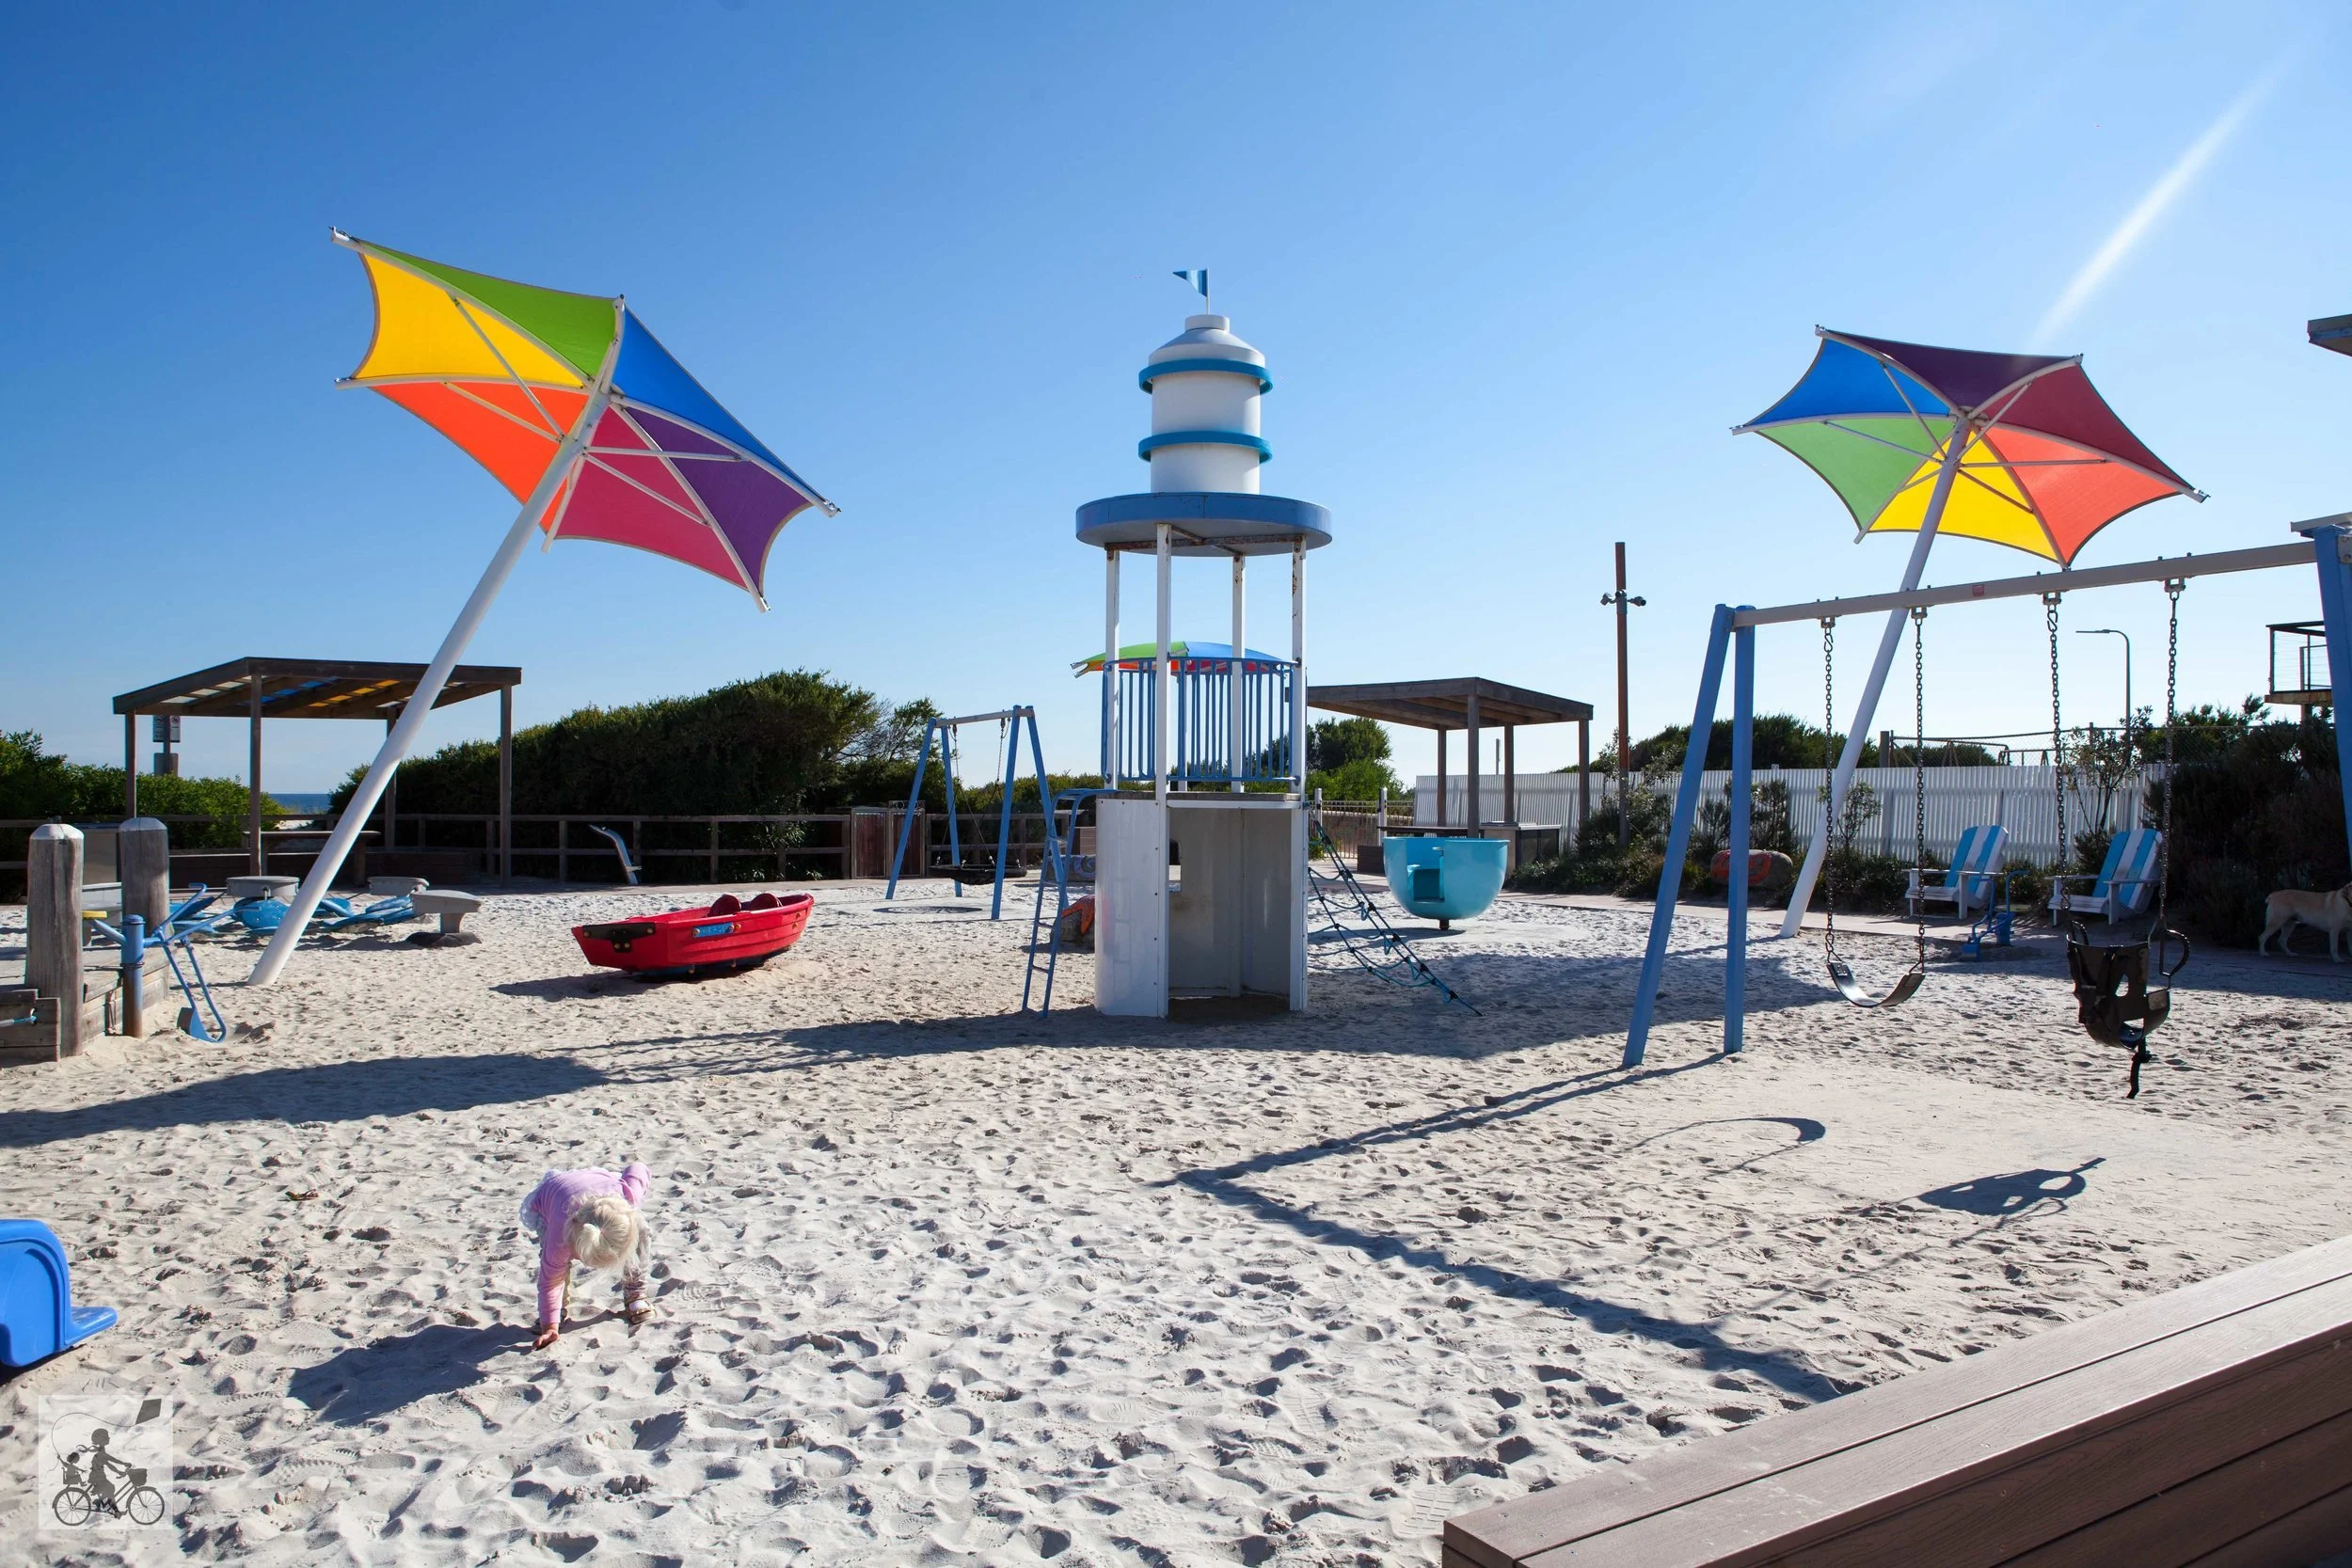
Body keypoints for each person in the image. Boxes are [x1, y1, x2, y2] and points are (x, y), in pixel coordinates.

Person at [518, 1163, 652, 1349]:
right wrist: (549, 1327)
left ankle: (635, 1292)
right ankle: (559, 1310)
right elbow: (550, 1282)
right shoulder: (559, 1237)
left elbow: (637, 1167)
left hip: (604, 1188)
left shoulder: (629, 1194)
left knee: (642, 1231)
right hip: (553, 1194)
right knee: (557, 1266)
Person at [83, 1429, 132, 1513]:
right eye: (106, 1437)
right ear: (101, 1439)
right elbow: (110, 1461)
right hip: (97, 1477)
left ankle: (102, 1504)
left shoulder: (101, 1450)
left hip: (99, 1476)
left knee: (110, 1488)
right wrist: (123, 1465)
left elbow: (109, 1463)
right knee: (110, 1488)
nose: (108, 1438)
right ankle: (112, 1510)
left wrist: (121, 1469)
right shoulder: (101, 1453)